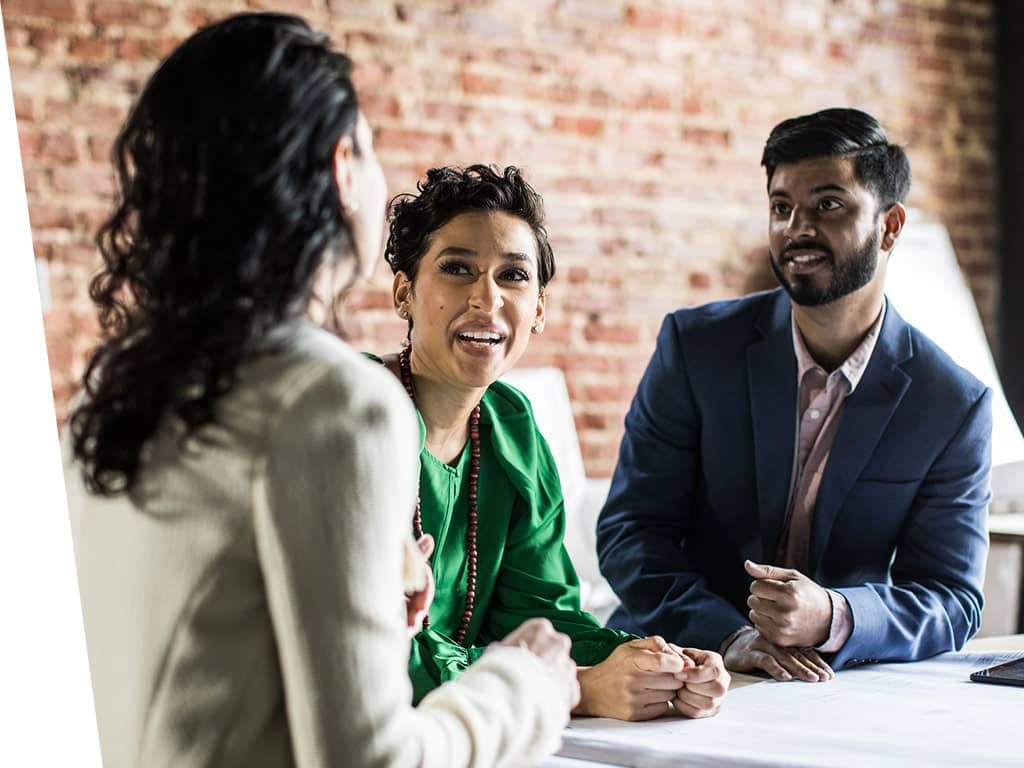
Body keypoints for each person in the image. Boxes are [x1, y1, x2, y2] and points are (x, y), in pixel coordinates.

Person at [62, 13, 580, 768]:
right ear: (343, 167)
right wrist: (525, 684)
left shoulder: (115, 387)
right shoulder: (339, 401)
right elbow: (370, 760)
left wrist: (378, 623)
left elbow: (207, 661)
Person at [596, 107, 992, 683]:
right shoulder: (695, 348)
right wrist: (730, 636)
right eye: (782, 208)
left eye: (828, 205)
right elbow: (631, 532)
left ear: (890, 226)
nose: (797, 228)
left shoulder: (952, 405)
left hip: (834, 683)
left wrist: (834, 615)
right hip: (678, 658)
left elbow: (952, 598)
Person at [373, 164, 729, 721]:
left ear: (538, 308)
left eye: (513, 276)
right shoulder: (356, 418)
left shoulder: (511, 428)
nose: (486, 298)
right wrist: (579, 688)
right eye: (457, 269)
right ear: (404, 293)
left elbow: (541, 616)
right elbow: (373, 648)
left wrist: (654, 664)